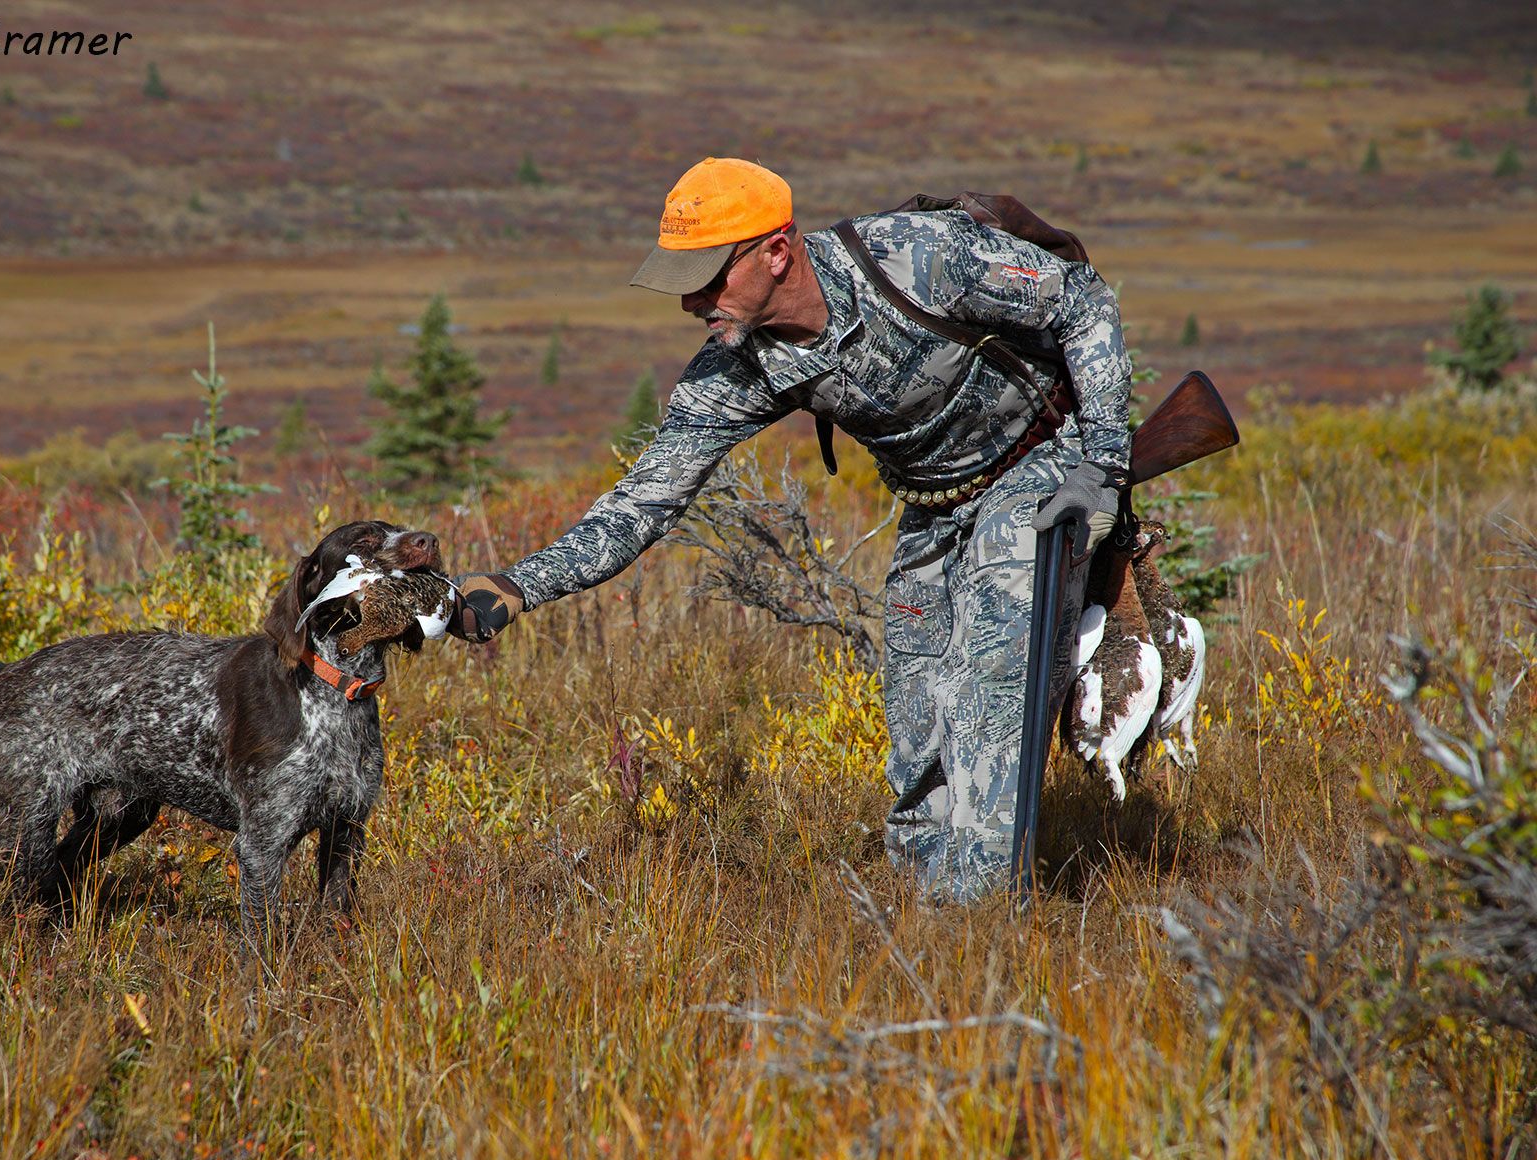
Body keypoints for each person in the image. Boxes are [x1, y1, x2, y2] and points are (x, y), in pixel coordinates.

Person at [450, 157, 1131, 903]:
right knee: (919, 733)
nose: (692, 302)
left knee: (990, 705)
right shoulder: (735, 368)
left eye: (710, 277)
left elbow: (1083, 302)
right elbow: (642, 504)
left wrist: (1101, 468)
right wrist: (517, 587)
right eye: (683, 282)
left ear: (778, 251)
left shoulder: (918, 255)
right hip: (935, 505)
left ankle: (983, 931)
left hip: (1043, 470)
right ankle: (926, 933)